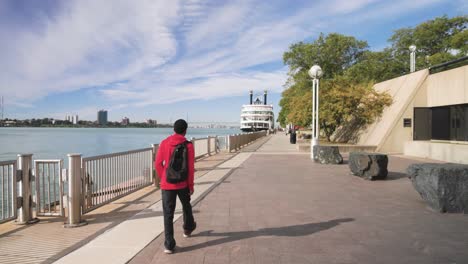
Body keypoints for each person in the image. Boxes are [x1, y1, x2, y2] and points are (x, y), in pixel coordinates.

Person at [155, 119, 196, 254]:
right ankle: (188, 229)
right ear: (185, 130)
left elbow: (158, 164)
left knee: (168, 214)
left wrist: (165, 178)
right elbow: (190, 168)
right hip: (183, 183)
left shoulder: (164, 143)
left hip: (167, 185)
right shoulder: (188, 145)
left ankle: (169, 245)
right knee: (186, 206)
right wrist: (190, 185)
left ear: (173, 129)